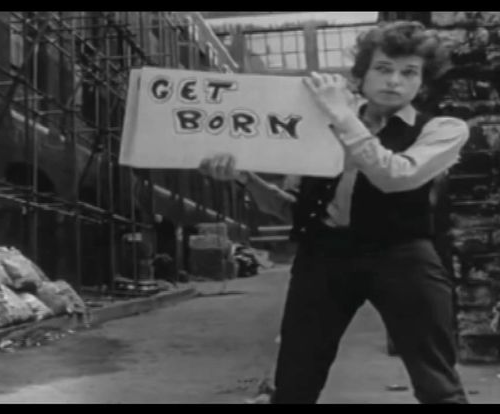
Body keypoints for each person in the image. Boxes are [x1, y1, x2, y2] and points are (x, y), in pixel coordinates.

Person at [199, 21, 469, 404]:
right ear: (362, 74)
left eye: (409, 72)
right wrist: (245, 177)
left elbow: (396, 176)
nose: (394, 81)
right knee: (295, 378)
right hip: (324, 253)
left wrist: (344, 117)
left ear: (422, 82)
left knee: (437, 381)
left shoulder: (443, 129)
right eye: (383, 68)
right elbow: (292, 209)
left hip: (402, 254)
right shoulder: (318, 127)